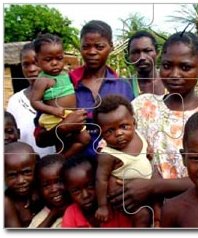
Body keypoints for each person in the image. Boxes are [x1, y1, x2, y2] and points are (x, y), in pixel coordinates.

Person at [108, 32, 198, 225]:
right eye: (167, 66)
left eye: (185, 67)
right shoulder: (141, 106)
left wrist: (154, 186)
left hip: (197, 217)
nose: (174, 74)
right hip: (145, 216)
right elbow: (113, 154)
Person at [34, 20, 134, 159]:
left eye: (99, 46)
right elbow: (40, 139)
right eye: (86, 46)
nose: (92, 52)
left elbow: (134, 130)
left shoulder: (123, 87)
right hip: (73, 172)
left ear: (110, 47)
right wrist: (63, 128)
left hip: (114, 171)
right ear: (80, 47)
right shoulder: (61, 82)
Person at [93, 95, 152, 227]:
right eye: (110, 131)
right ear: (101, 134)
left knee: (160, 207)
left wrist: (149, 149)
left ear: (134, 123)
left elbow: (144, 143)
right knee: (143, 215)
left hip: (147, 189)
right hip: (125, 195)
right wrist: (102, 206)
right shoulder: (108, 155)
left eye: (123, 126)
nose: (119, 133)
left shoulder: (136, 134)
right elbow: (100, 180)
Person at [31, 33, 91, 159]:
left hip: (70, 116)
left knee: (84, 139)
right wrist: (54, 110)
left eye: (59, 58)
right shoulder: (43, 80)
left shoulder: (65, 74)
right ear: (36, 60)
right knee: (72, 140)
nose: (55, 63)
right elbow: (34, 101)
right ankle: (60, 160)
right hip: (55, 118)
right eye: (48, 60)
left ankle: (62, 158)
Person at [6, 42, 55, 157]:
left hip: (57, 170)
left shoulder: (62, 97)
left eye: (36, 63)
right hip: (25, 171)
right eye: (26, 65)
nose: (31, 69)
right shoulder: (15, 101)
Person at [61, 155, 132, 228]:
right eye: (76, 191)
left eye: (90, 186)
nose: (85, 195)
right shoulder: (72, 214)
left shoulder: (117, 208)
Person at [4, 142, 43, 227]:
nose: (21, 181)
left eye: (27, 172)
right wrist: (54, 214)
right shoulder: (6, 202)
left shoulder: (42, 189)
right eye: (12, 175)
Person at [28, 154, 69, 228]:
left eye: (59, 181)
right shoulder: (40, 219)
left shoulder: (83, 206)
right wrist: (53, 215)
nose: (54, 189)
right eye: (46, 185)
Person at [127, 31, 165, 96]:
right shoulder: (125, 87)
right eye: (135, 52)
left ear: (157, 53)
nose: (142, 57)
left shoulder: (172, 82)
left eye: (147, 51)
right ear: (129, 56)